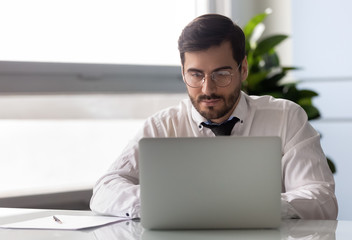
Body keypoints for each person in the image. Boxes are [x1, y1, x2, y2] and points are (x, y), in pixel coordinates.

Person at [90, 14, 338, 219]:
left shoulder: (286, 117)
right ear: (183, 71)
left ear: (243, 69)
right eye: (196, 75)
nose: (207, 89)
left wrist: (248, 208)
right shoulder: (161, 126)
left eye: (221, 74)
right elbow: (104, 191)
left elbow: (322, 198)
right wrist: (165, 204)